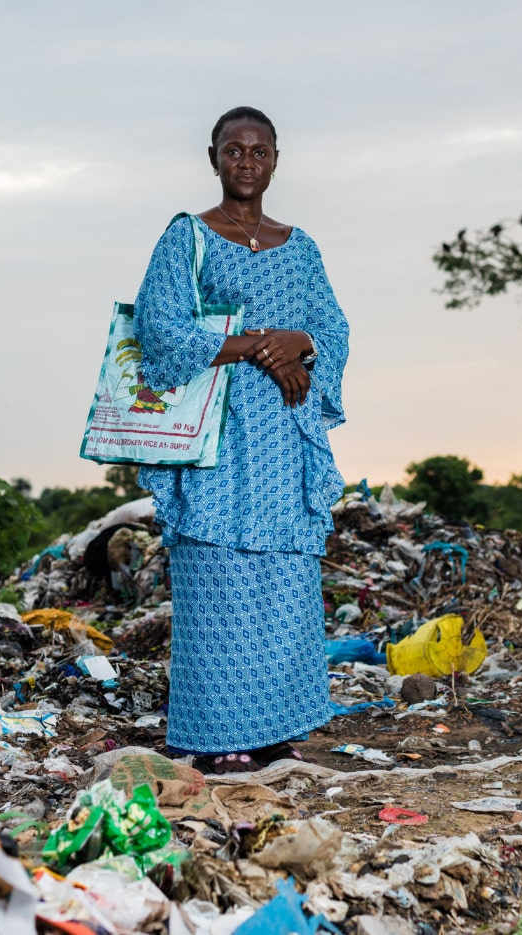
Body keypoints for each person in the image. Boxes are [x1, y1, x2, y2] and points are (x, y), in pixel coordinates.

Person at [132, 106, 350, 773]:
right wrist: (256, 346)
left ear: (276, 159)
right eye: (234, 151)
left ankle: (278, 729)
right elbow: (159, 330)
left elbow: (333, 331)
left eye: (259, 152)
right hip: (216, 439)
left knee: (284, 579)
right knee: (217, 575)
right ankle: (217, 734)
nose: (246, 163)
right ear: (213, 158)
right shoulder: (187, 239)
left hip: (285, 437)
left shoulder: (302, 246)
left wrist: (300, 342)